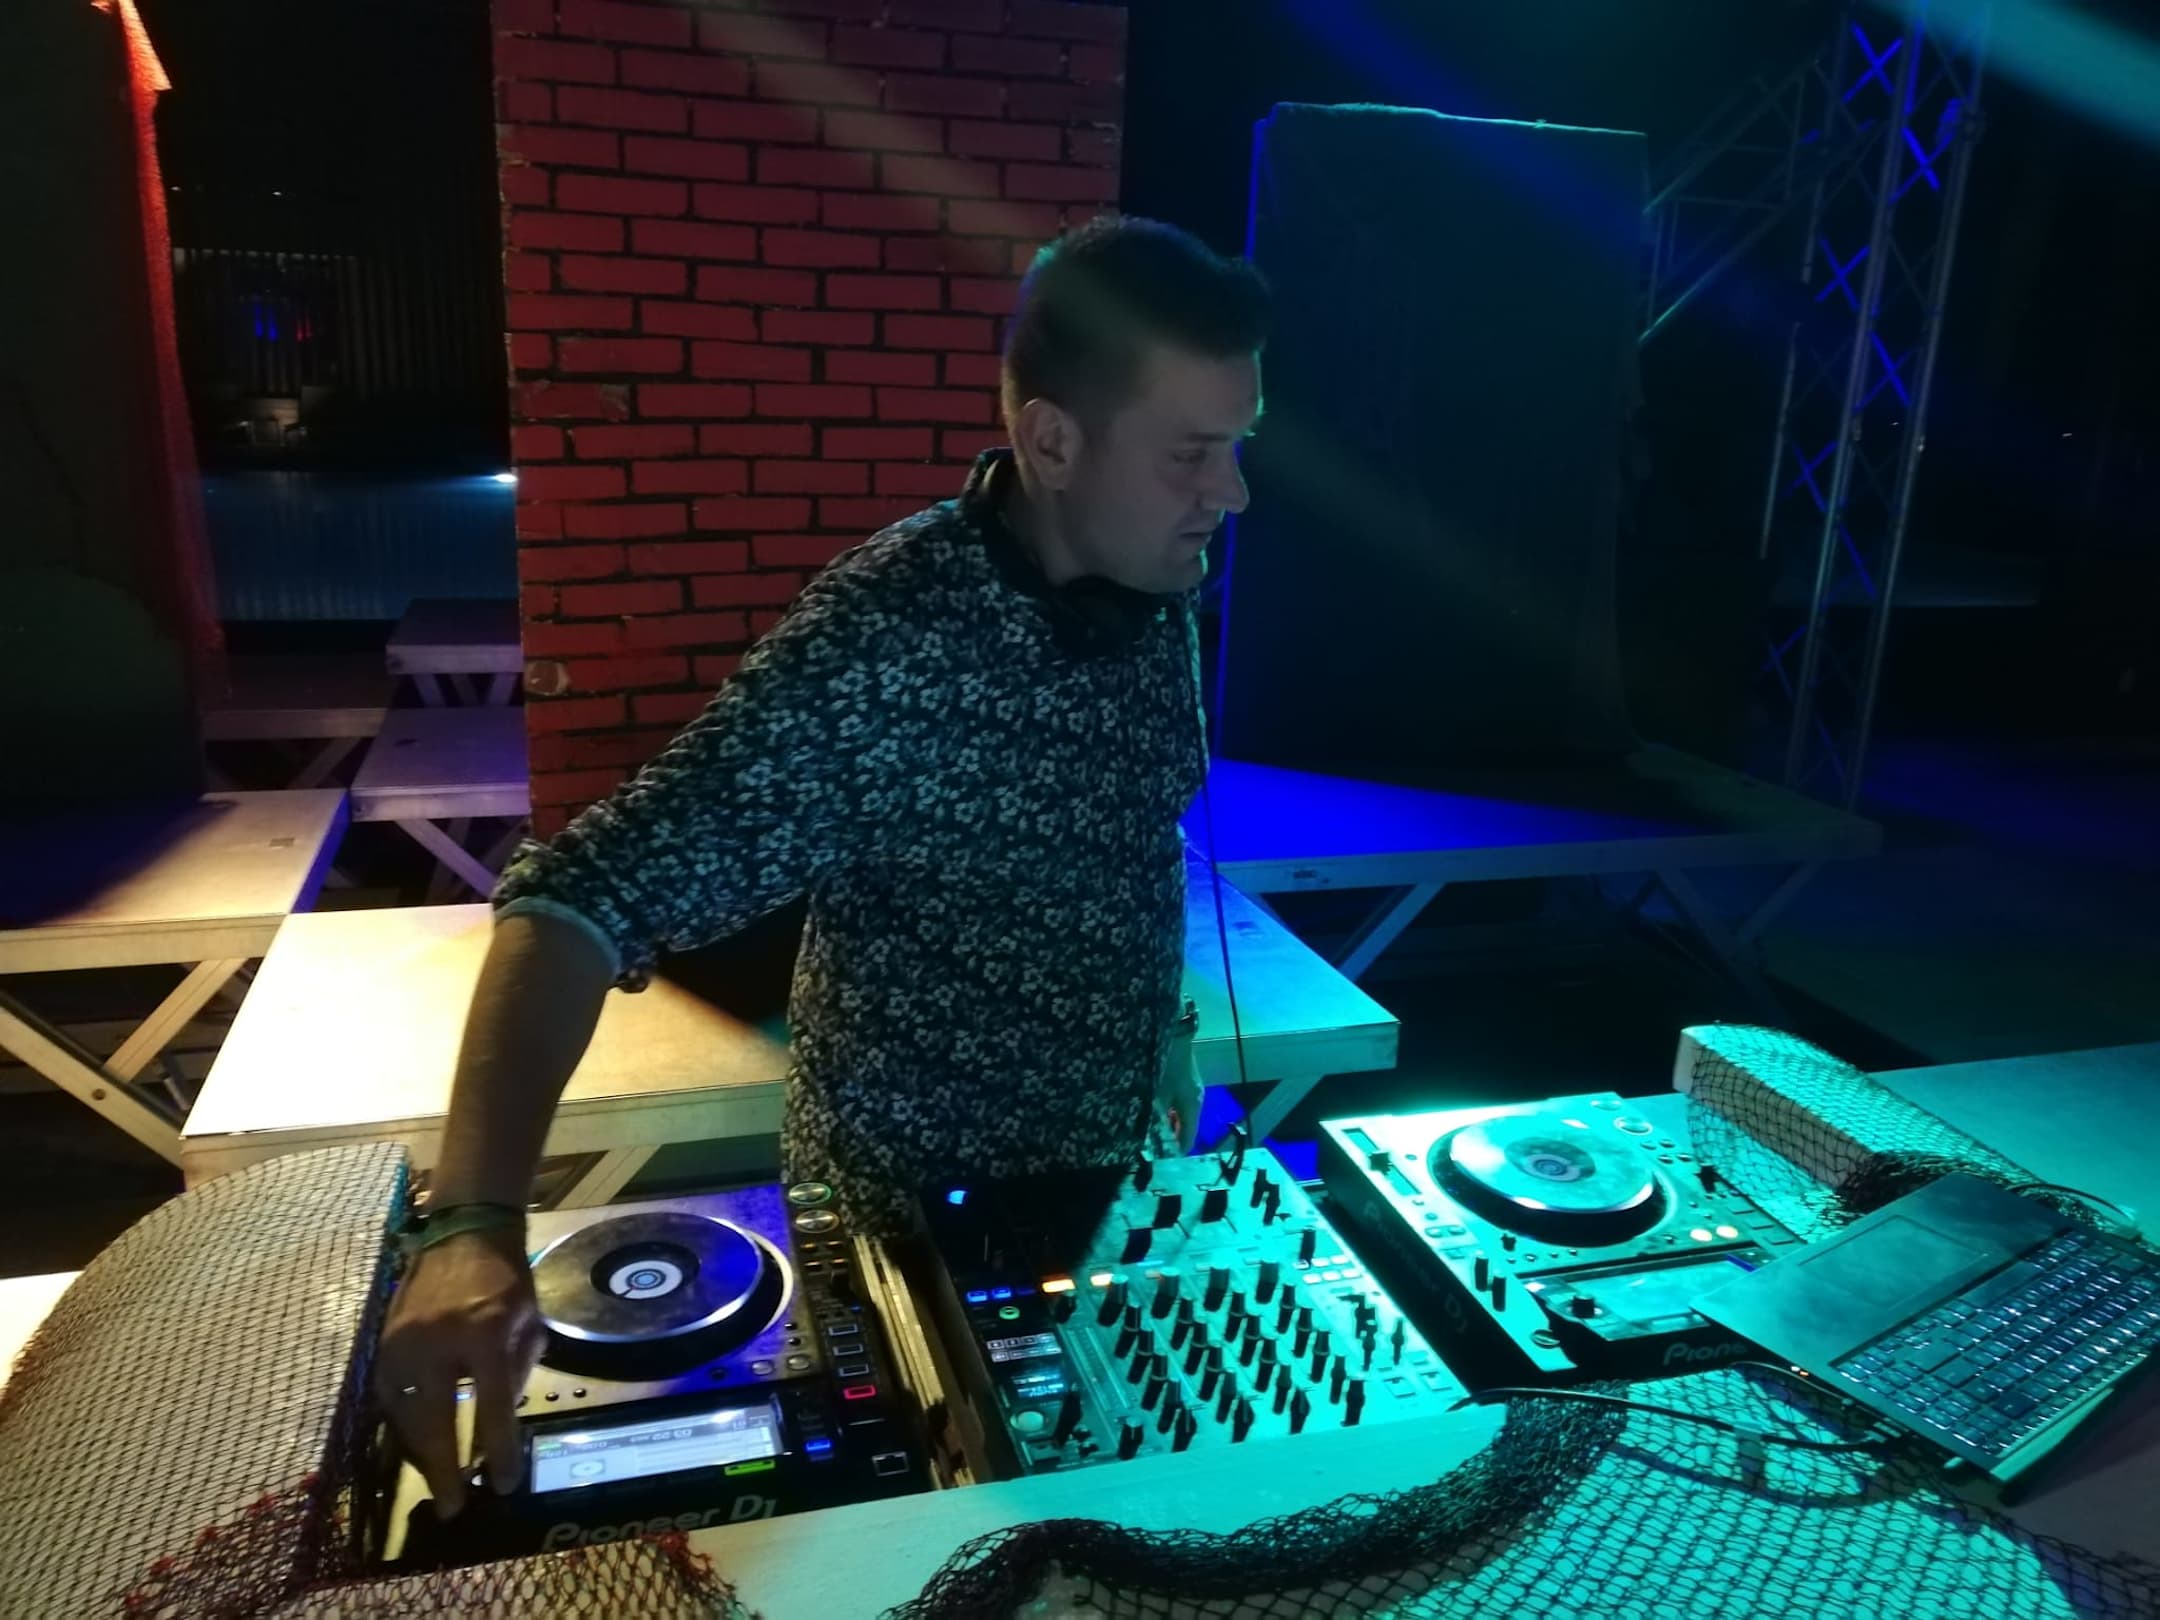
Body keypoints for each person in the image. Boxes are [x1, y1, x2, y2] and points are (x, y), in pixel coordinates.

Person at [372, 214, 1270, 1514]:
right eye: (1192, 453)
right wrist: (471, 1223)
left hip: (1112, 1191)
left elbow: (1126, 838)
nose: (1231, 495)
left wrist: (1163, 1063)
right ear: (1053, 443)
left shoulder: (1156, 587)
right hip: (906, 1252)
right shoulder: (881, 646)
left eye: (1238, 448)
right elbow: (574, 900)